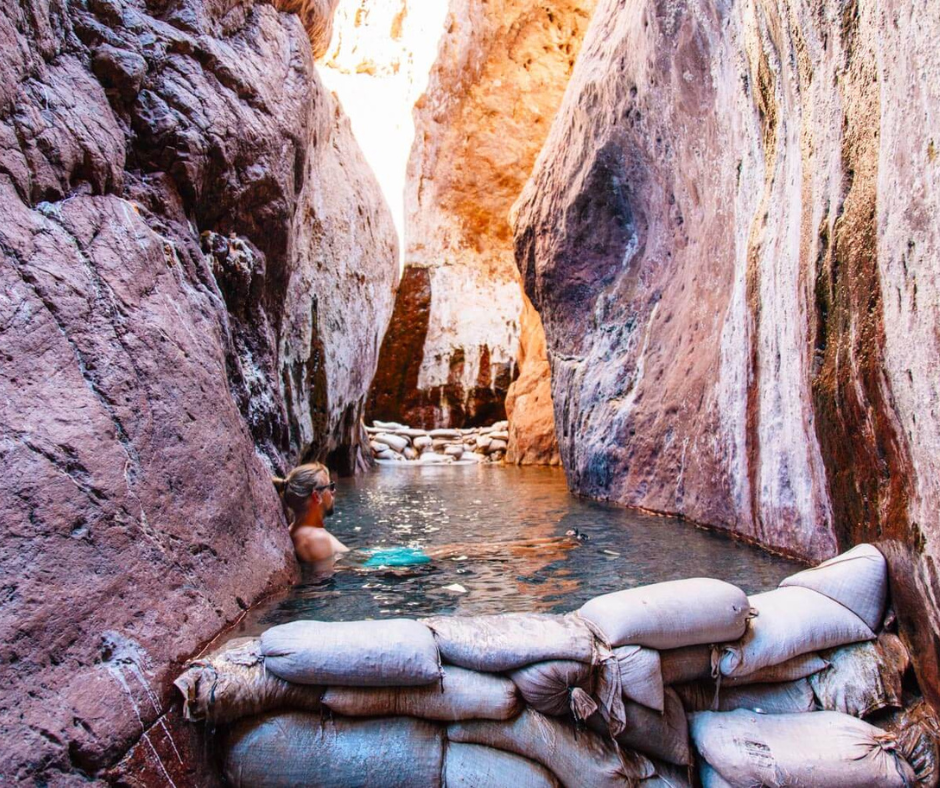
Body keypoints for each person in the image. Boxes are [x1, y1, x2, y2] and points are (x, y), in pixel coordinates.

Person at [273, 463, 349, 564]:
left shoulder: (298, 530)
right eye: (330, 486)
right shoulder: (316, 539)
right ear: (316, 496)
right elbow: (326, 577)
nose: (334, 491)